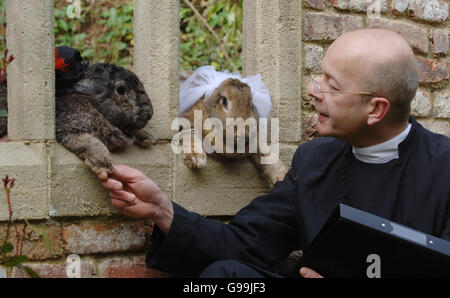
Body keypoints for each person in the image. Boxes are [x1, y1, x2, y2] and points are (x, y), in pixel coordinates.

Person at [98, 28, 450, 278]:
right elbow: (244, 243)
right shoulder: (315, 160)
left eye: (332, 85)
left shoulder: (444, 168)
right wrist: (162, 208)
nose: (314, 91)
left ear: (376, 110)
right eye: (319, 77)